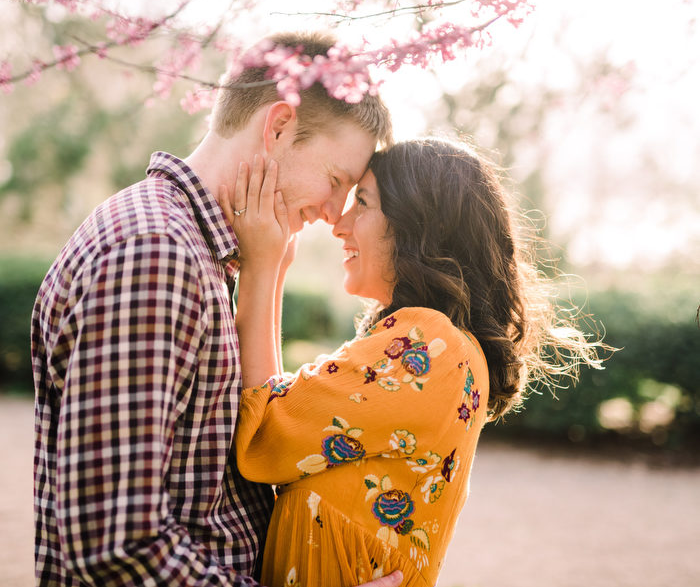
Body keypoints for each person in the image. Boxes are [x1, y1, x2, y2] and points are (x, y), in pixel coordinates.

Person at [30, 31, 398, 587]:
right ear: (277, 127)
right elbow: (118, 547)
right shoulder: (155, 253)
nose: (331, 212)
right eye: (335, 181)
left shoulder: (195, 251)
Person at [227, 138, 603, 587]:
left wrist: (262, 269)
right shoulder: (439, 349)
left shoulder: (431, 345)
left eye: (362, 202)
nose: (339, 225)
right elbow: (284, 413)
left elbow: (267, 431)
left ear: (417, 228)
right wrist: (275, 268)